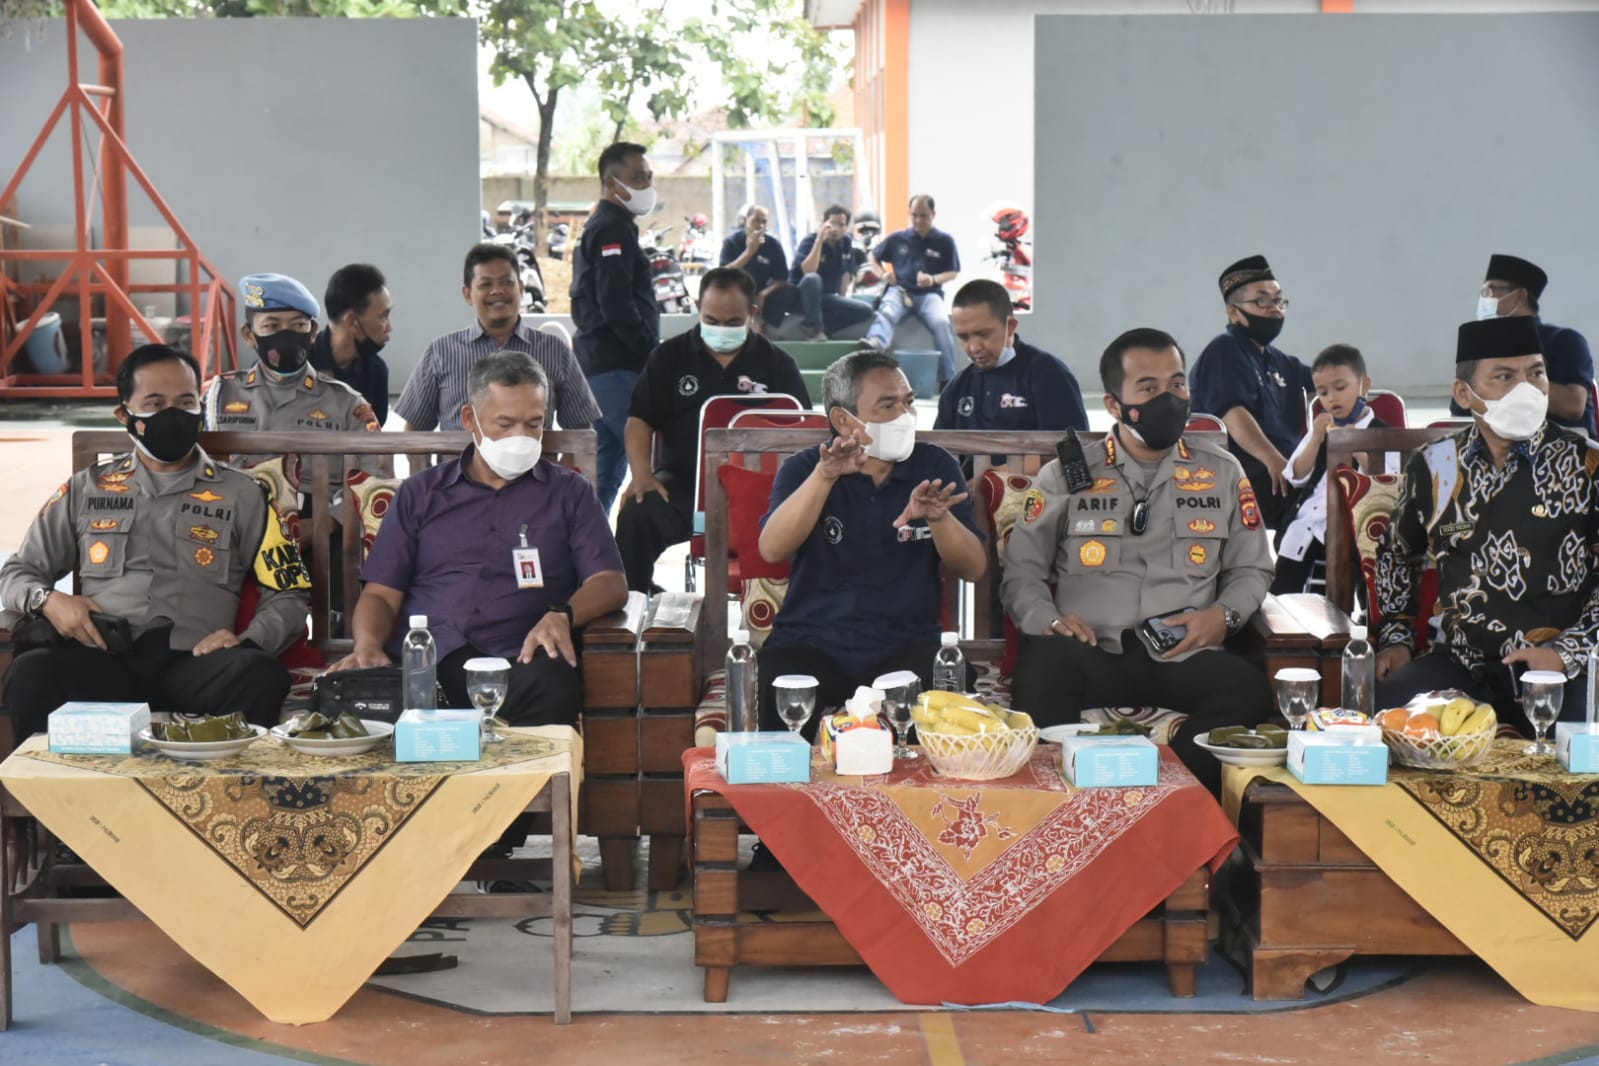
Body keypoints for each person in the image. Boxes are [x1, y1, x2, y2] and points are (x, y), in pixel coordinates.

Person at [1001, 328, 1273, 793]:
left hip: (1185, 653)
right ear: (1113, 404)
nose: (1168, 398)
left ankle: (1170, 805)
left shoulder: (1222, 471)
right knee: (1042, 673)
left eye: (1177, 384)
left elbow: (1253, 567)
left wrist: (1222, 617)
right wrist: (1048, 621)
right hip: (1090, 652)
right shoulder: (1067, 475)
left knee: (1246, 691)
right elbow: (1022, 569)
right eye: (1148, 389)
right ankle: (1071, 818)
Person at [0, 344, 311, 741]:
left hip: (197, 663)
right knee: (32, 673)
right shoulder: (86, 490)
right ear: (125, 415)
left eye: (184, 402)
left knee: (259, 675)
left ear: (200, 406)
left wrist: (248, 640)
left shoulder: (245, 494)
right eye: (155, 403)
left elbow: (288, 592)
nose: (173, 415)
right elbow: (16, 573)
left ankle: (223, 801)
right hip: (102, 661)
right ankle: (55, 801)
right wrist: (50, 601)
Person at [331, 350, 628, 729]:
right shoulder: (422, 494)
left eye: (533, 425)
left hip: (521, 655)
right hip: (430, 661)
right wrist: (368, 645)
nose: (520, 438)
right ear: (470, 419)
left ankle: (530, 789)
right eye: (505, 424)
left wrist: (563, 616)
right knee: (360, 703)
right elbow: (381, 594)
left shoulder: (569, 492)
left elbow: (610, 582)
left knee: (554, 683)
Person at [1374, 317, 1599, 733]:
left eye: (1536, 373)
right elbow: (1396, 554)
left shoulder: (1586, 466)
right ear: (1465, 393)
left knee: (1581, 746)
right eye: (1505, 377)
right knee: (1389, 713)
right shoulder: (1435, 464)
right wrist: (1397, 638)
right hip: (1460, 664)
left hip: (1562, 669)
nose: (1527, 389)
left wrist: (1567, 653)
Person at [754, 349, 986, 736]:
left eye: (908, 403)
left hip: (906, 644)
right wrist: (825, 477)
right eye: (887, 406)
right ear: (843, 419)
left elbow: (974, 568)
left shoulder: (934, 466)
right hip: (812, 640)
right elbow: (772, 549)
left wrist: (939, 518)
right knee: (776, 686)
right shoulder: (806, 468)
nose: (905, 416)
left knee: (946, 693)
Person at [616, 268, 810, 592]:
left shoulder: (777, 364)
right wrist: (641, 474)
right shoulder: (668, 357)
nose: (721, 329)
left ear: (752, 313)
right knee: (638, 513)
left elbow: (803, 433)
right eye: (712, 319)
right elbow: (639, 419)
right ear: (697, 307)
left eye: (733, 322)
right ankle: (629, 603)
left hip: (760, 493)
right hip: (684, 488)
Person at [396, 244, 599, 438]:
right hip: (458, 473)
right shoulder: (441, 352)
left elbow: (581, 431)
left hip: (536, 473)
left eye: (507, 282)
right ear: (467, 294)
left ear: (521, 288)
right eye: (486, 284)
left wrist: (560, 474)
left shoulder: (554, 350)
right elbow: (414, 429)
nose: (497, 291)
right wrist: (433, 475)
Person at [1189, 255, 1314, 532]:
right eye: (1262, 300)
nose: (1274, 308)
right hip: (1247, 474)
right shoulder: (1225, 351)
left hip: (1290, 471)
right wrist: (1274, 461)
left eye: (1279, 300)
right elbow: (1233, 414)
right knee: (1324, 502)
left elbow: (1327, 382)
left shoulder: (1281, 361)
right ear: (1234, 312)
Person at [570, 141, 662, 512]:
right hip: (616, 367)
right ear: (612, 184)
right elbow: (615, 302)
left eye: (649, 176)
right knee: (649, 465)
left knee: (606, 469)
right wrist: (649, 350)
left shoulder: (611, 224)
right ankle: (631, 557)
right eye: (637, 178)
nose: (647, 185)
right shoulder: (612, 229)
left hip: (603, 366)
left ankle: (588, 553)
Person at [1270, 344, 1399, 597]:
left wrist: (1354, 444)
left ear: (1364, 385)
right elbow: (1295, 475)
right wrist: (1316, 438)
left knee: (1340, 590)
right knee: (1284, 591)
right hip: (1307, 524)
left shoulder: (1382, 434)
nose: (1332, 398)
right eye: (1323, 392)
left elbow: (1389, 480)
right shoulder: (1320, 429)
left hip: (1352, 528)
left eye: (1340, 388)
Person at [205, 272, 382, 442]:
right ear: (249, 335)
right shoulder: (219, 397)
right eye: (272, 326)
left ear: (313, 332)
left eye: (298, 325)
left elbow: (376, 470)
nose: (286, 336)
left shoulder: (347, 404)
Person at [1448, 254, 1596, 438]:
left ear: (1519, 296)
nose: (1484, 299)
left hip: (1562, 452)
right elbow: (1460, 414)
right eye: (1483, 293)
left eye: (1491, 291)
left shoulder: (1564, 341)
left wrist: (1505, 380)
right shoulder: (1480, 345)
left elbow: (1573, 405)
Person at [936, 279, 1088, 433]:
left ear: (1011, 327)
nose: (974, 348)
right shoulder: (956, 389)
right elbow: (937, 452)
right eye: (963, 337)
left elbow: (1075, 450)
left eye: (983, 334)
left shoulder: (1049, 376)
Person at [864, 195, 961, 388]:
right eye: (914, 215)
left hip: (930, 295)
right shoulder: (897, 238)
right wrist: (883, 274)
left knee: (942, 323)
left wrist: (933, 279)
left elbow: (953, 272)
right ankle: (873, 346)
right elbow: (872, 257)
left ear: (933, 215)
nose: (918, 221)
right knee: (888, 311)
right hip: (899, 291)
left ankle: (948, 378)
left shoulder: (944, 241)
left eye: (923, 216)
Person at [310, 263, 392, 425]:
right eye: (383, 316)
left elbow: (373, 440)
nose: (390, 327)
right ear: (352, 321)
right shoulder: (297, 361)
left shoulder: (376, 371)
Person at [789, 204, 874, 340]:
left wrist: (843, 298)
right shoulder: (810, 241)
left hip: (827, 297)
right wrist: (819, 242)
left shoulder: (846, 242)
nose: (836, 229)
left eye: (841, 225)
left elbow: (846, 274)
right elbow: (808, 271)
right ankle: (815, 329)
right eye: (832, 223)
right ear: (823, 223)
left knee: (865, 311)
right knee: (813, 278)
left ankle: (819, 327)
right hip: (802, 297)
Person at [718, 204, 788, 301]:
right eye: (756, 220)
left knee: (787, 291)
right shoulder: (731, 242)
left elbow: (781, 277)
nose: (760, 225)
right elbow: (722, 275)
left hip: (762, 291)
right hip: (736, 290)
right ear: (746, 220)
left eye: (764, 222)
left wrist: (764, 294)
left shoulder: (773, 245)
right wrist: (749, 252)